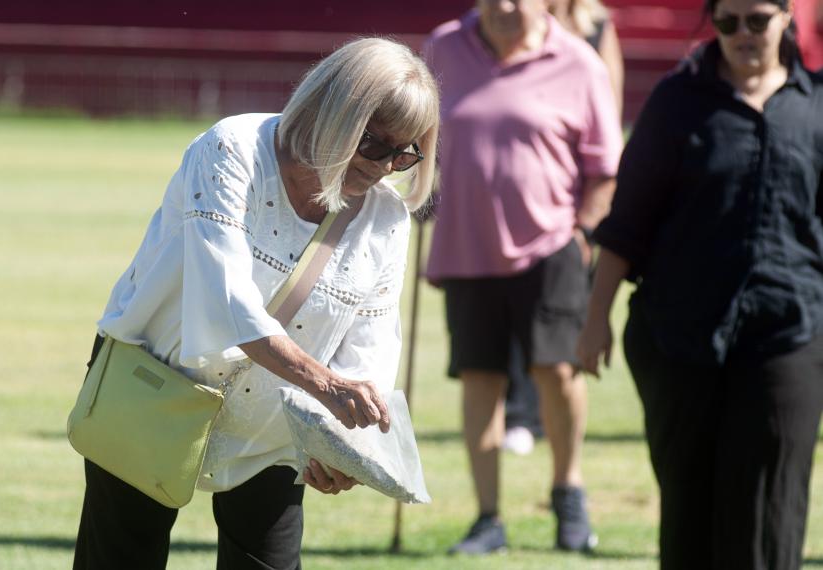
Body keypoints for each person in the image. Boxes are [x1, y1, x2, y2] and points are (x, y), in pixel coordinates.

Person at [72, 37, 439, 570]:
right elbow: (226, 302)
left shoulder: (386, 217)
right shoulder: (232, 148)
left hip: (274, 419)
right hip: (151, 386)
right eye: (376, 145)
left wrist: (344, 446)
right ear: (332, 110)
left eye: (406, 153)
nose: (387, 167)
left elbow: (372, 346)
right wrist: (329, 387)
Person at [577, 0, 823, 567]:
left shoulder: (815, 108)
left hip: (791, 335)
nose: (743, 34)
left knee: (768, 505)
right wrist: (595, 321)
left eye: (757, 20)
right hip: (678, 336)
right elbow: (627, 221)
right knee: (689, 508)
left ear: (787, 19)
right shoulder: (676, 103)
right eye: (728, 21)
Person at [423, 0, 623, 554]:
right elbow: (417, 141)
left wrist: (583, 235)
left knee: (557, 371)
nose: (507, 6)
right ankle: (488, 518)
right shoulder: (442, 47)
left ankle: (568, 492)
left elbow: (605, 167)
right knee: (480, 380)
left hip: (553, 245)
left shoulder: (578, 60)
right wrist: (419, 186)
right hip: (466, 247)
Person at [502, 0, 626, 456]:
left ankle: (548, 416)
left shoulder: (597, 26)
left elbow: (609, 109)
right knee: (514, 302)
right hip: (527, 188)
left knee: (560, 311)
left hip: (576, 196)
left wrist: (590, 213)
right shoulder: (513, 26)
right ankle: (520, 412)